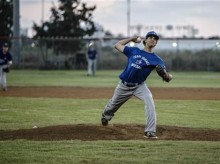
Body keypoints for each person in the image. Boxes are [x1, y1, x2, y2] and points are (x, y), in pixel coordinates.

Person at [101, 31, 173, 139]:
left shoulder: (157, 60)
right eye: (150, 37)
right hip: (124, 85)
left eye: (155, 39)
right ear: (145, 40)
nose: (153, 39)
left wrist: (164, 75)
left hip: (139, 86)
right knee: (112, 107)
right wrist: (131, 38)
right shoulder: (134, 51)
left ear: (156, 43)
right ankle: (106, 117)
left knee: (150, 102)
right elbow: (117, 45)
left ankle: (150, 132)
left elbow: (167, 78)